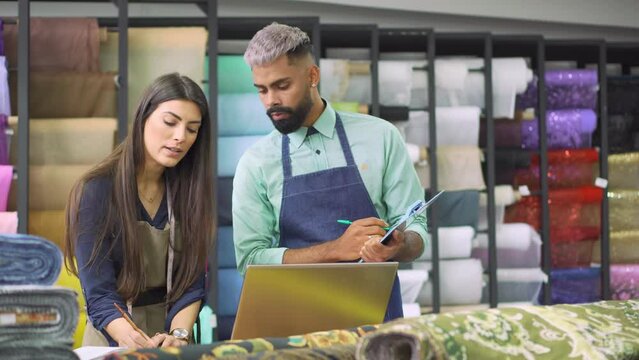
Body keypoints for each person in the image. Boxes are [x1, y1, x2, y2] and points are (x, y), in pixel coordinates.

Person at [232, 23, 427, 321]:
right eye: (262, 90)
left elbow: (417, 230)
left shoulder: (381, 136)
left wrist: (399, 245)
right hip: (296, 323)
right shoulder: (255, 163)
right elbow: (250, 259)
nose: (271, 101)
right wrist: (336, 249)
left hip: (377, 317)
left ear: (312, 76)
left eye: (282, 86)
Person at [64, 73, 213, 348]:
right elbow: (99, 294)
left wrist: (178, 337)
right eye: (170, 122)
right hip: (114, 337)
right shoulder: (96, 190)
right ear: (143, 117)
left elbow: (192, 282)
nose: (180, 137)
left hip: (172, 340)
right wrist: (138, 345)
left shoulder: (190, 192)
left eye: (192, 129)